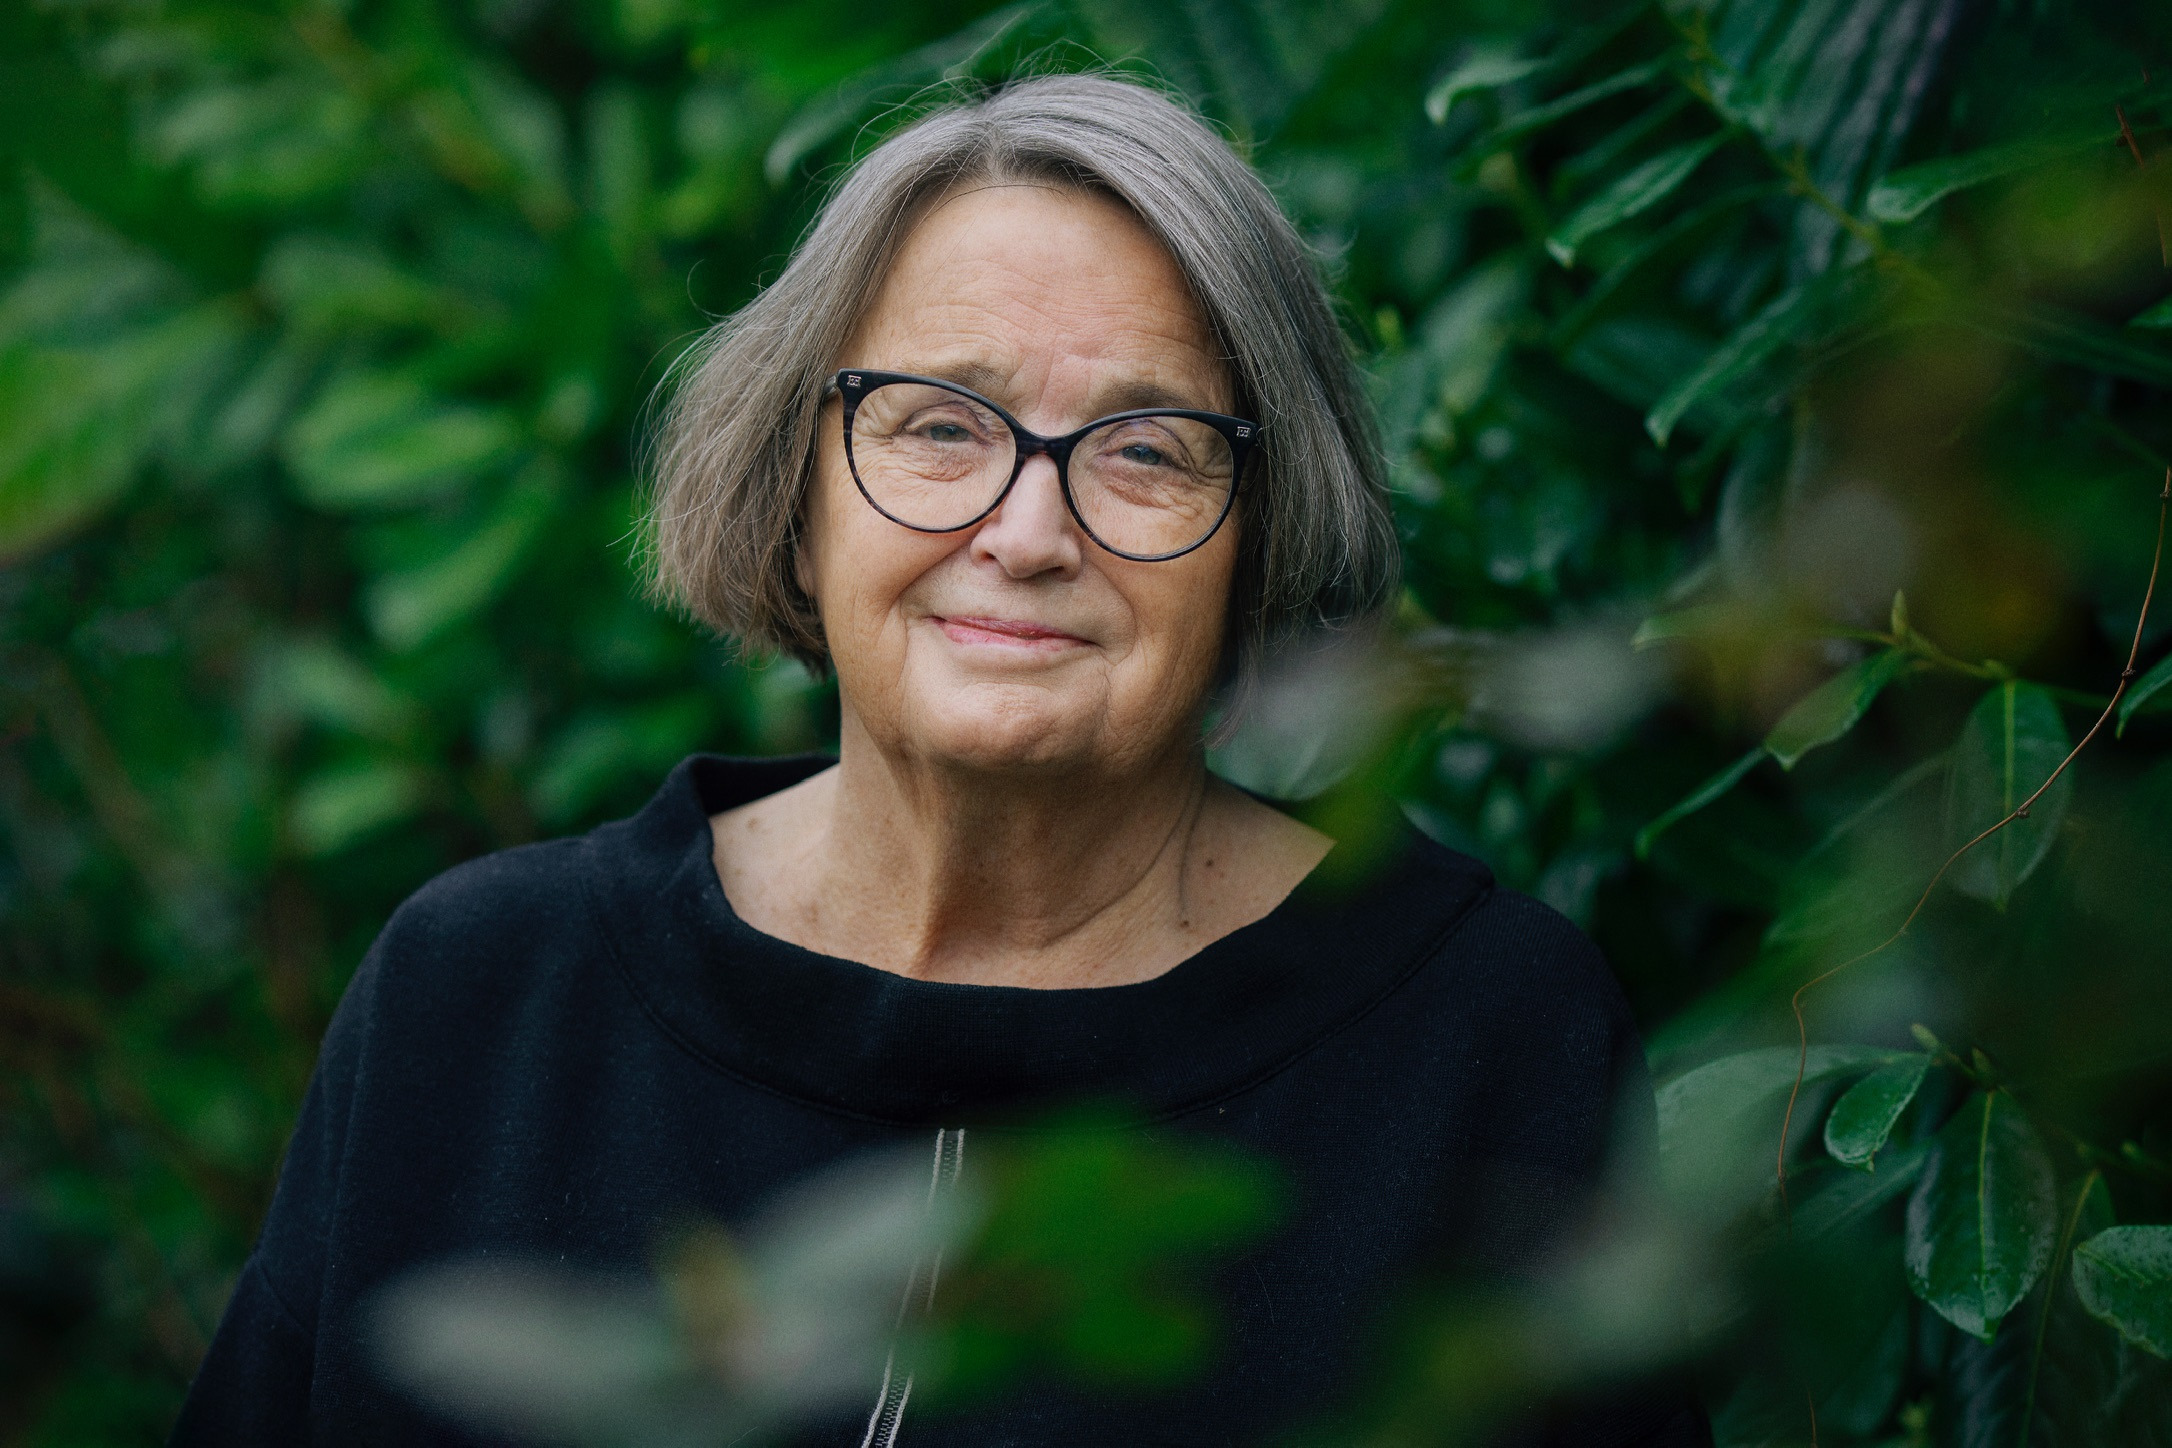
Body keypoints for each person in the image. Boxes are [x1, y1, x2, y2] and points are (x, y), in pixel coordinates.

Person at [172, 73, 1704, 1447]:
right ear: (798, 481)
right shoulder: (480, 996)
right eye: (939, 428)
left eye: (1147, 448)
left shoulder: (1487, 1041)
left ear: (1263, 531)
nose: (1026, 533)